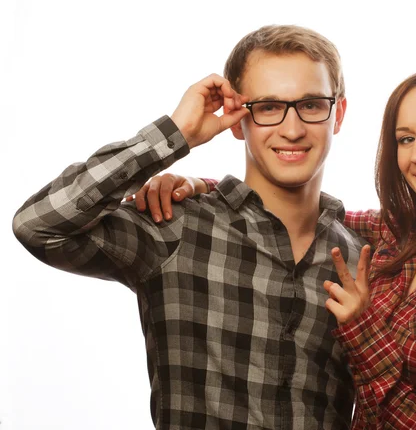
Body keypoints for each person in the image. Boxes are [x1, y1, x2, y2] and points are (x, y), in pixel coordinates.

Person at [134, 64, 416, 429]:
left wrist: (364, 330)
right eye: (405, 139)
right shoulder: (395, 237)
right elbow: (301, 214)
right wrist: (198, 186)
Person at [12, 25, 370, 430]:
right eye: (269, 107)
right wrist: (174, 136)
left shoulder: (365, 259)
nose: (292, 128)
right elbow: (39, 226)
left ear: (337, 114)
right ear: (238, 120)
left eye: (311, 104)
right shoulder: (175, 226)